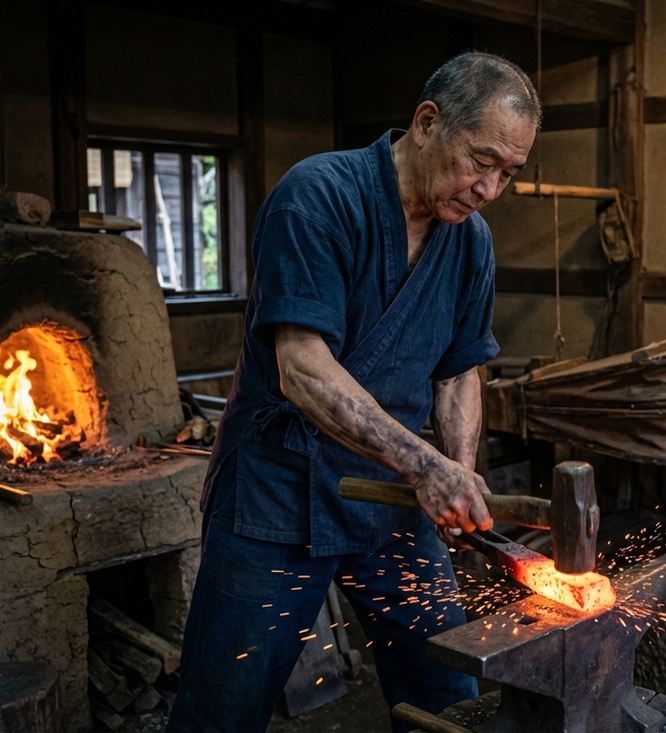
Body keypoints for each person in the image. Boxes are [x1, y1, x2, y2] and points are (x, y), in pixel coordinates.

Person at [167, 52, 540, 732]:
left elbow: (459, 370)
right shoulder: (318, 196)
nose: (489, 188)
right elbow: (302, 368)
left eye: (508, 174)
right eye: (481, 161)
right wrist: (426, 464)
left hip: (392, 501)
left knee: (451, 690)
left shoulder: (471, 244)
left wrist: (457, 469)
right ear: (428, 122)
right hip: (275, 495)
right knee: (223, 705)